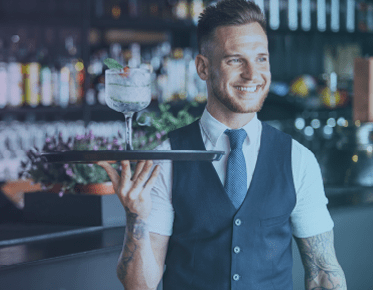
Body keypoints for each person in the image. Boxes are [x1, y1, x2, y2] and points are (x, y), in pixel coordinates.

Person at [98, 0, 347, 289]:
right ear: (203, 67)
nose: (253, 74)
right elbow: (139, 284)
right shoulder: (167, 158)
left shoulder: (298, 159)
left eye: (261, 58)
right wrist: (135, 218)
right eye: (235, 60)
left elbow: (322, 273)